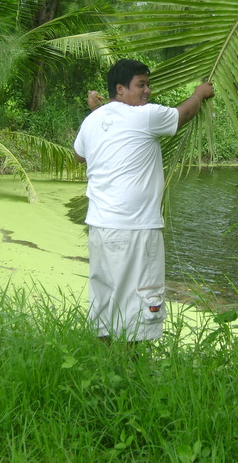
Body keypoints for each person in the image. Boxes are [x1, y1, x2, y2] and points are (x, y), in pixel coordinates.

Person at [73, 59, 214, 342]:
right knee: (139, 303)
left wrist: (97, 113)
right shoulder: (144, 116)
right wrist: (200, 93)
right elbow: (182, 115)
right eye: (141, 85)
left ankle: (106, 366)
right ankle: (132, 373)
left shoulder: (93, 120)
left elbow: (80, 154)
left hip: (101, 228)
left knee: (105, 299)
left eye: (148, 84)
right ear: (120, 89)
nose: (148, 91)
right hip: (135, 229)